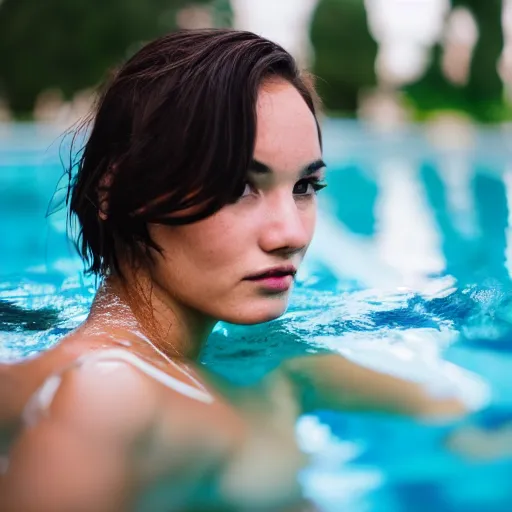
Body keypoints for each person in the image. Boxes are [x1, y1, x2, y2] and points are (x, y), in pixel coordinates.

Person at [0, 29, 468, 511]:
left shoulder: (270, 366)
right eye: (239, 186)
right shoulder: (106, 395)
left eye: (305, 186)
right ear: (114, 192)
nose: (290, 234)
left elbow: (470, 428)